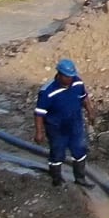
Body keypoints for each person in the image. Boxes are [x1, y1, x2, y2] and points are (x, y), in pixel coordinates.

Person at [34, 58, 92, 187]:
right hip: (56, 129)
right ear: (59, 74)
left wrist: (90, 112)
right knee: (57, 153)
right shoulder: (47, 92)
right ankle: (57, 180)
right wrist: (39, 132)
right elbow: (39, 113)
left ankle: (80, 178)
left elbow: (84, 97)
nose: (70, 79)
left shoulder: (77, 83)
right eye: (67, 76)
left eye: (72, 76)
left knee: (79, 150)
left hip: (75, 125)